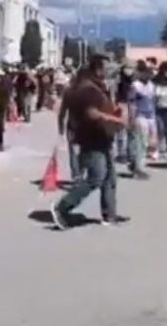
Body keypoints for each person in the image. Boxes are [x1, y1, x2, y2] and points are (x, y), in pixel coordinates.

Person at [50, 55, 130, 230]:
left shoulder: (97, 87)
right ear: (98, 69)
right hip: (92, 138)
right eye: (107, 67)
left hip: (102, 137)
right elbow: (91, 113)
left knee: (109, 178)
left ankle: (110, 214)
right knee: (96, 177)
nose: (110, 70)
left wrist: (114, 110)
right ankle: (62, 207)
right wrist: (115, 119)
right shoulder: (88, 89)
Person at [58, 67, 90, 180]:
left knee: (73, 151)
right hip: (86, 127)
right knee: (85, 150)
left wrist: (61, 127)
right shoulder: (90, 92)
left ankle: (76, 174)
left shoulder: (69, 91)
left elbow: (62, 111)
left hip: (73, 126)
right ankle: (81, 171)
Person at [128, 62, 157, 179]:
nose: (149, 75)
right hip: (140, 116)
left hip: (150, 116)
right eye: (147, 73)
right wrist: (132, 118)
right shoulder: (135, 86)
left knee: (148, 143)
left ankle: (136, 165)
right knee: (141, 143)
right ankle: (139, 169)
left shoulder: (151, 85)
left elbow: (153, 101)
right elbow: (131, 103)